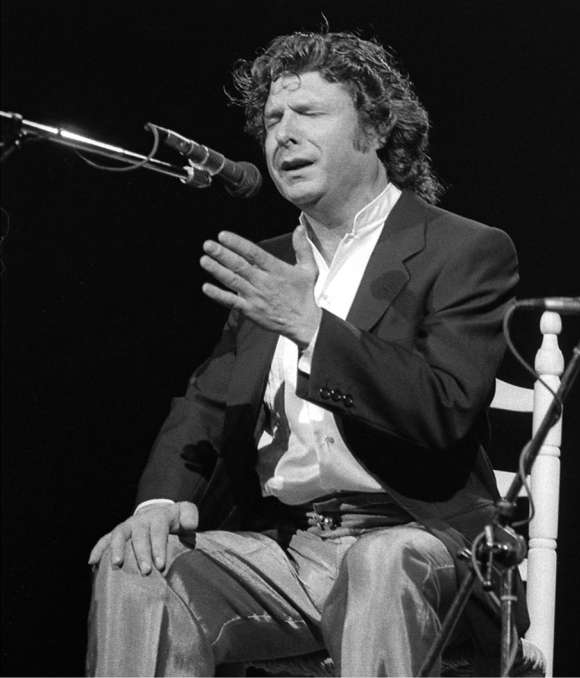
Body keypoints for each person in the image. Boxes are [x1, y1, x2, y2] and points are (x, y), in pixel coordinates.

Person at [86, 30, 527, 677]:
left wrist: (314, 329)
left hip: (427, 541)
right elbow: (204, 404)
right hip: (291, 545)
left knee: (380, 565)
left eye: (309, 114)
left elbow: (444, 411)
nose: (282, 134)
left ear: (375, 129)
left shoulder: (462, 251)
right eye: (271, 120)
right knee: (137, 566)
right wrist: (155, 507)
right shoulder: (269, 264)